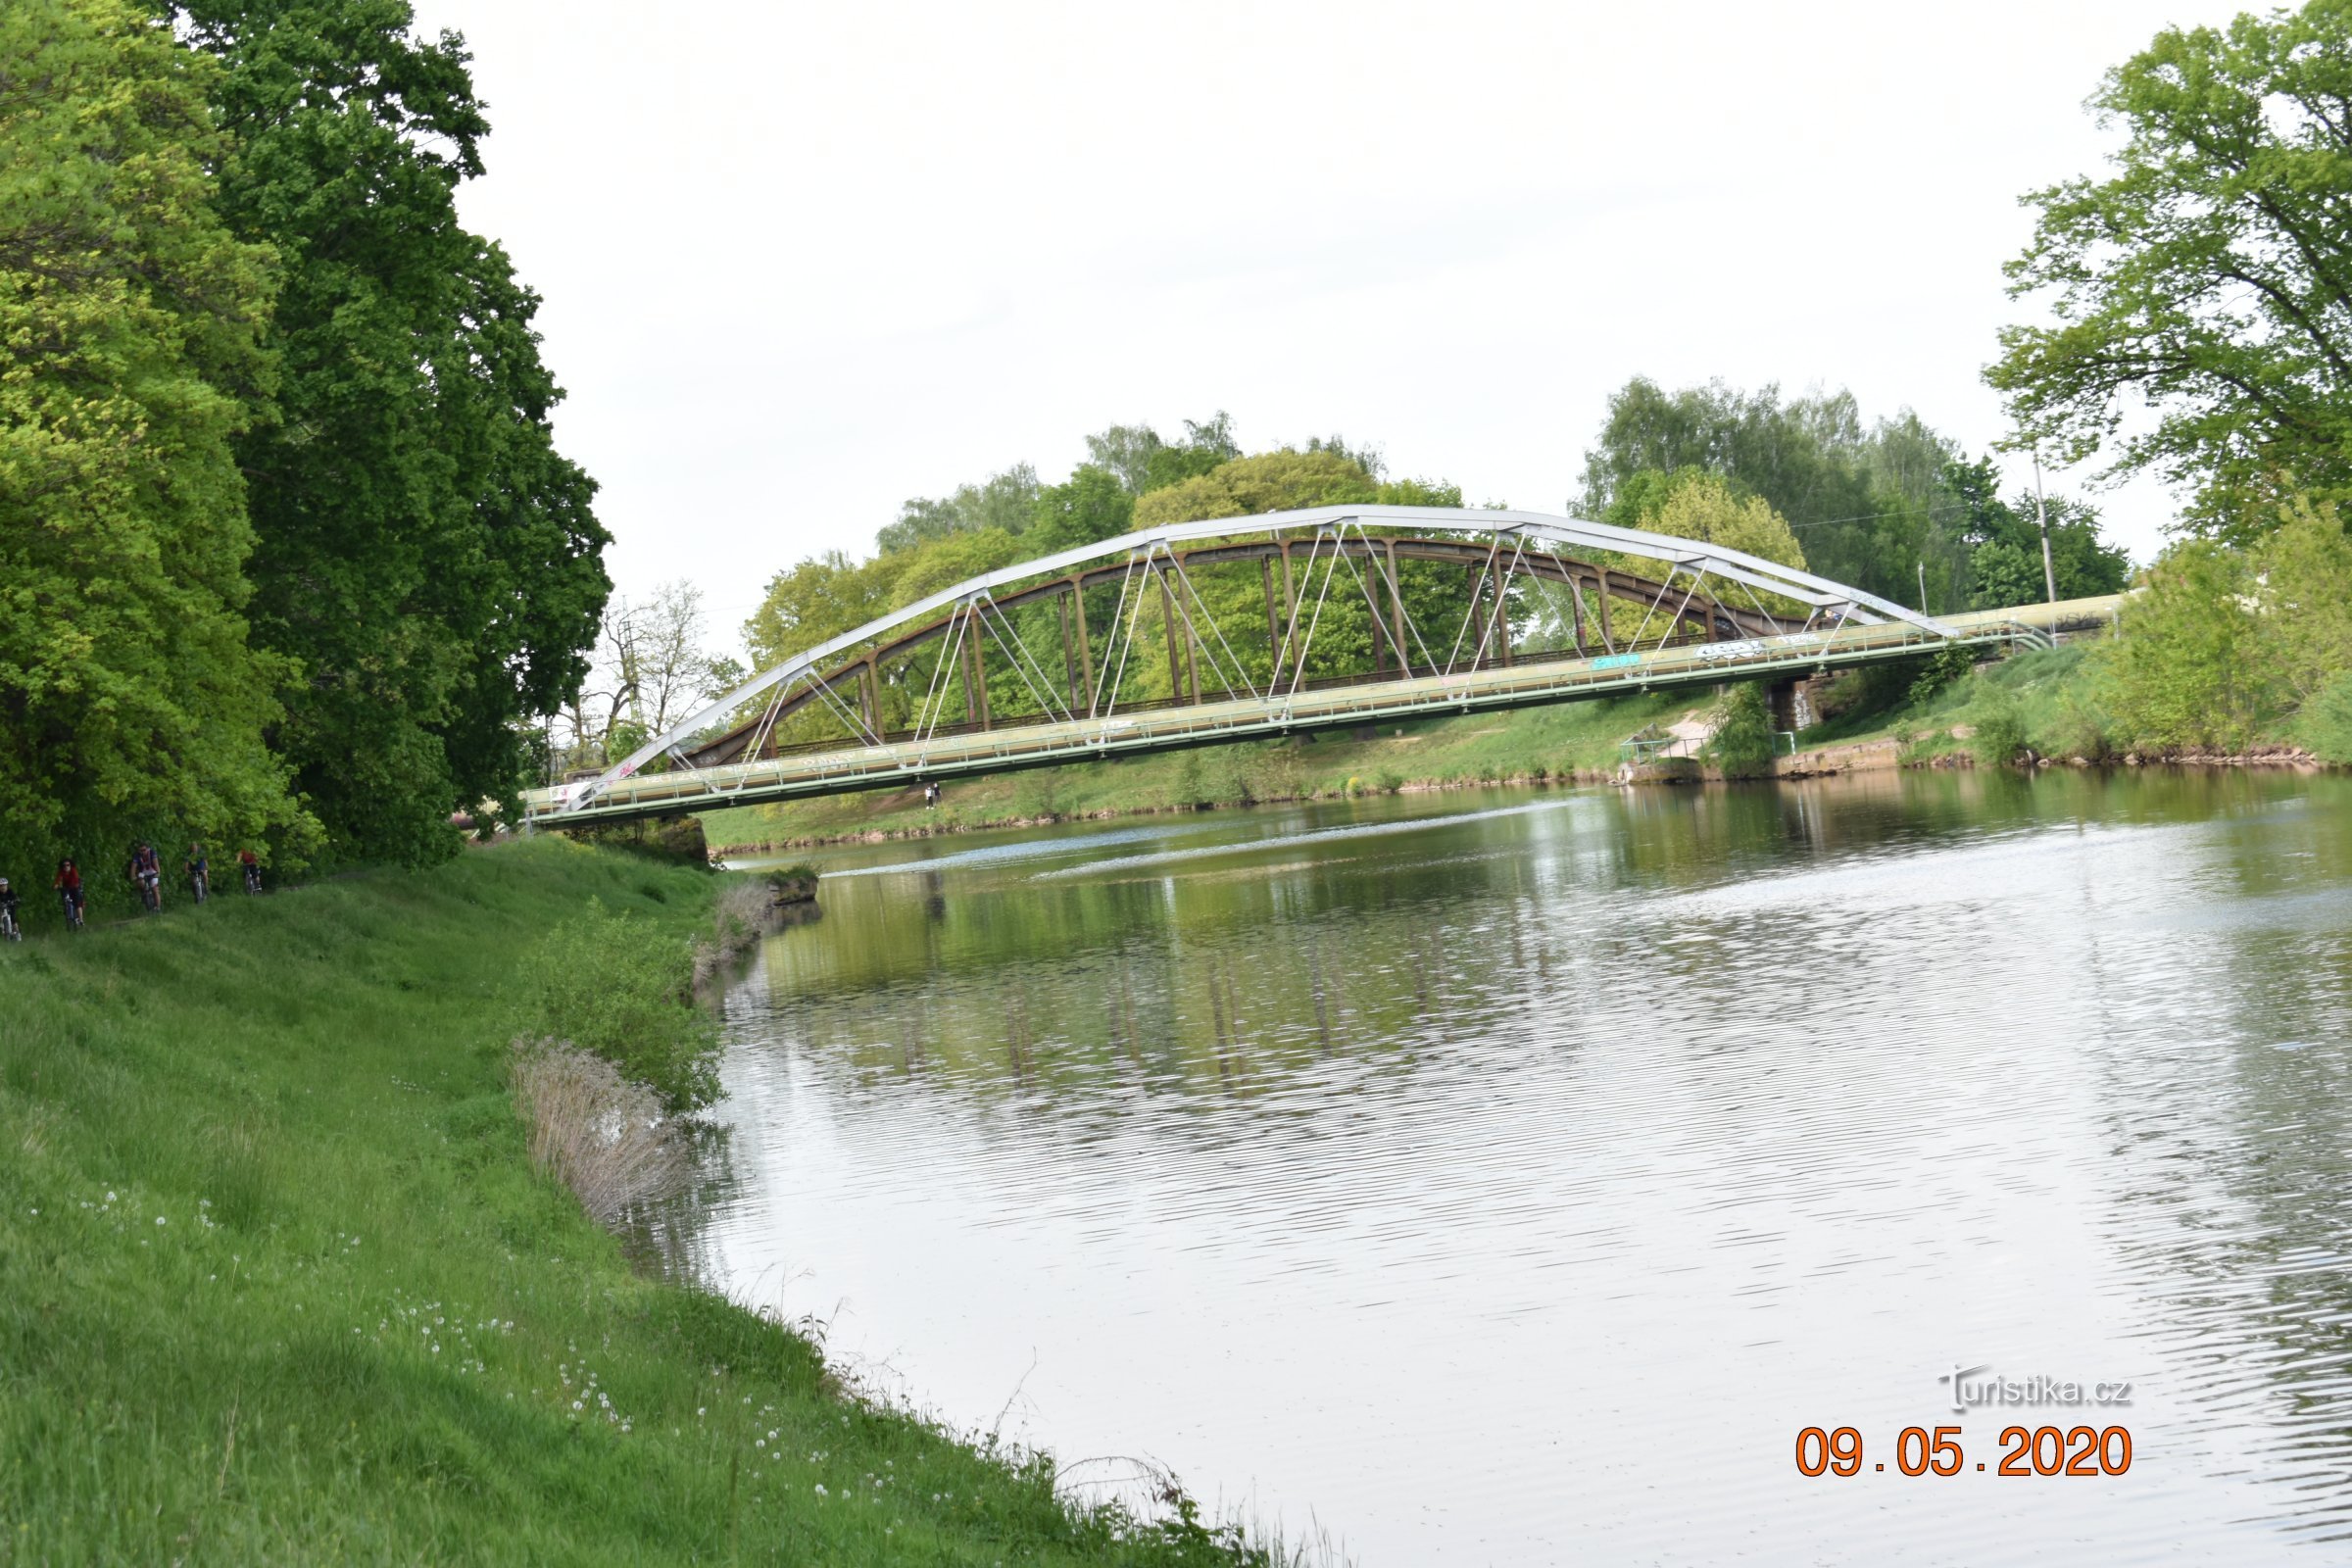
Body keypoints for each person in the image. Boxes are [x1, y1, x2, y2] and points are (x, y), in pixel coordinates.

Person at [127, 842, 162, 910]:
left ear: (147, 849)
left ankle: (158, 908)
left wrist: (158, 872)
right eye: (141, 850)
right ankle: (144, 894)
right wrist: (133, 877)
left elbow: (156, 863)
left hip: (153, 872)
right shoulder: (137, 855)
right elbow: (133, 867)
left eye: (144, 850)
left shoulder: (152, 853)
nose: (142, 852)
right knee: (141, 882)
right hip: (143, 873)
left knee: (155, 890)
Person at [54, 858, 84, 926]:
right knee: (65, 898)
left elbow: (75, 879)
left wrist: (75, 885)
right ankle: (67, 912)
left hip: (74, 887)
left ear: (70, 865)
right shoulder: (61, 872)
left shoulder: (73, 871)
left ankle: (81, 920)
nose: (66, 867)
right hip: (66, 888)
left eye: (68, 865)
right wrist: (56, 885)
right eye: (64, 865)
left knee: (77, 904)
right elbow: (58, 879)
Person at [0, 876, 20, 941]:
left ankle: (17, 934)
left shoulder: (10, 891)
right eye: (1, 886)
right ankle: (3, 929)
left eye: (4, 885)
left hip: (10, 908)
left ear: (7, 885)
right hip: (1, 909)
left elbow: (15, 897)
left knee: (13, 919)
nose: (3, 887)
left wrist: (15, 900)